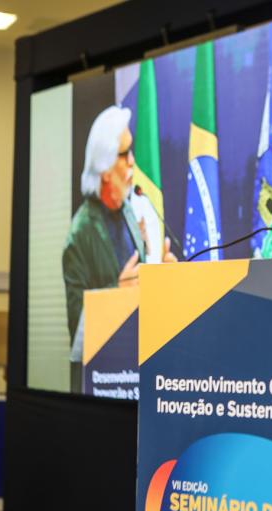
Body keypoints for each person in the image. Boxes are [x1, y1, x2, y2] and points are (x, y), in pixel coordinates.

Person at [62, 106, 176, 344]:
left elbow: (139, 289)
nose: (132, 161)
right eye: (124, 154)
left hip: (140, 349)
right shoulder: (81, 233)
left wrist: (162, 280)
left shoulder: (129, 212)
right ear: (105, 169)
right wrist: (117, 294)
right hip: (107, 363)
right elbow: (77, 331)